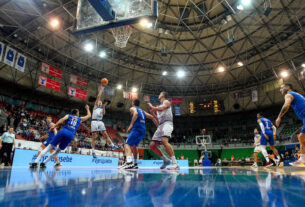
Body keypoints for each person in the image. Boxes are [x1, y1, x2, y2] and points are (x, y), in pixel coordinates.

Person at [120, 99, 158, 169]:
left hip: (137, 129)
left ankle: (129, 162)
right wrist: (158, 126)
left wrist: (131, 124)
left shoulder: (132, 108)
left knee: (127, 145)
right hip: (143, 131)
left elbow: (136, 114)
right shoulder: (142, 111)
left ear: (133, 103)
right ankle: (135, 164)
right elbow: (152, 117)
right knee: (134, 146)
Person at [148, 91, 179, 170]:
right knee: (152, 145)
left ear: (163, 95)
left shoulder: (166, 102)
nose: (159, 94)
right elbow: (157, 119)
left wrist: (153, 107)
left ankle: (175, 163)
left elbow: (161, 108)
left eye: (160, 93)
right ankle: (165, 160)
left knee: (164, 141)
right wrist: (153, 113)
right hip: (161, 125)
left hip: (167, 123)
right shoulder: (159, 106)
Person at [276, 83, 305, 167]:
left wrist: (279, 117)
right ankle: (302, 160)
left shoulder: (289, 94)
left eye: (281, 88)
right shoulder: (296, 95)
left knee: (302, 138)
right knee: (302, 138)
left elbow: (286, 105)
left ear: (287, 88)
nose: (280, 90)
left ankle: (302, 160)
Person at [91, 86, 119, 158]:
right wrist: (100, 91)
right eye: (99, 101)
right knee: (94, 137)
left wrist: (104, 106)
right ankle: (93, 151)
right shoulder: (95, 107)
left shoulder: (101, 108)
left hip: (100, 122)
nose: (99, 102)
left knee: (106, 135)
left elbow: (103, 113)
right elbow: (98, 98)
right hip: (94, 122)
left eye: (100, 101)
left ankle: (112, 146)